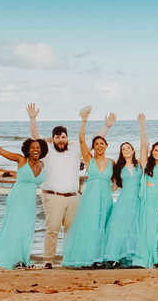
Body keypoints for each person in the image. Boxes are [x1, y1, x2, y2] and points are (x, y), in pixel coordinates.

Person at [27, 103, 110, 263]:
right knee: (52, 229)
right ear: (53, 139)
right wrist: (32, 119)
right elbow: (35, 137)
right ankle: (48, 261)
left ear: (67, 138)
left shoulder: (75, 150)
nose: (60, 140)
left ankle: (70, 258)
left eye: (63, 136)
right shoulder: (48, 151)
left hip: (73, 197)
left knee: (72, 231)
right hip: (53, 196)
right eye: (57, 137)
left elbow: (93, 142)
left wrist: (106, 126)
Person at [0, 132, 46, 269]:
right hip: (17, 198)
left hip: (30, 201)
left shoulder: (43, 164)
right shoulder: (21, 160)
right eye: (32, 147)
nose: (35, 150)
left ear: (42, 150)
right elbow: (1, 151)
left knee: (26, 230)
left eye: (38, 147)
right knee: (14, 228)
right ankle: (10, 259)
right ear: (27, 149)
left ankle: (22, 259)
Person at [61, 111, 117, 268]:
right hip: (91, 197)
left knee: (103, 226)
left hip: (105, 197)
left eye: (102, 143)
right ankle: (87, 258)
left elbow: (121, 178)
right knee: (90, 225)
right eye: (97, 144)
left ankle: (101, 258)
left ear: (106, 146)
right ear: (94, 147)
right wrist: (84, 121)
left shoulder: (112, 162)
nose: (99, 146)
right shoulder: (89, 160)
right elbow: (81, 140)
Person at [132, 114, 158, 268]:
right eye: (155, 150)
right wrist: (142, 125)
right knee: (148, 229)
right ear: (152, 152)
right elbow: (144, 145)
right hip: (149, 200)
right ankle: (148, 259)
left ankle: (156, 257)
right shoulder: (146, 164)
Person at [104, 141, 142, 267]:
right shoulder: (119, 168)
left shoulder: (140, 165)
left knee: (134, 228)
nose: (126, 150)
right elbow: (114, 187)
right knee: (118, 228)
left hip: (137, 201)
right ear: (121, 152)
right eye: (123, 148)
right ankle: (114, 257)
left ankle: (132, 258)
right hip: (124, 200)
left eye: (128, 148)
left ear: (133, 150)